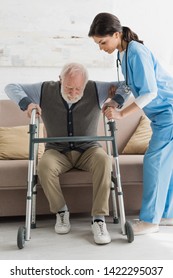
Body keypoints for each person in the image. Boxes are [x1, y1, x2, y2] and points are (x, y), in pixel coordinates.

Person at [5, 62, 127, 244]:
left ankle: (99, 219)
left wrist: (114, 101)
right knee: (44, 167)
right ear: (60, 80)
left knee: (104, 161)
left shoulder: (95, 88)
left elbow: (128, 85)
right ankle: (61, 211)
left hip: (89, 149)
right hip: (56, 150)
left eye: (78, 88)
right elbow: (10, 87)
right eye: (69, 87)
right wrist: (28, 104)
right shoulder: (44, 89)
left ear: (85, 83)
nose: (73, 92)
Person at [88, 12, 173, 236]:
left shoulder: (137, 52)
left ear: (116, 34)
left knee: (154, 163)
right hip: (162, 116)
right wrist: (115, 101)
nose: (101, 47)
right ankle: (167, 215)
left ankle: (149, 221)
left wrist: (122, 114)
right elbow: (128, 85)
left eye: (102, 42)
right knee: (166, 166)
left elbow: (150, 92)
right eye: (97, 43)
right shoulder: (123, 54)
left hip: (169, 113)